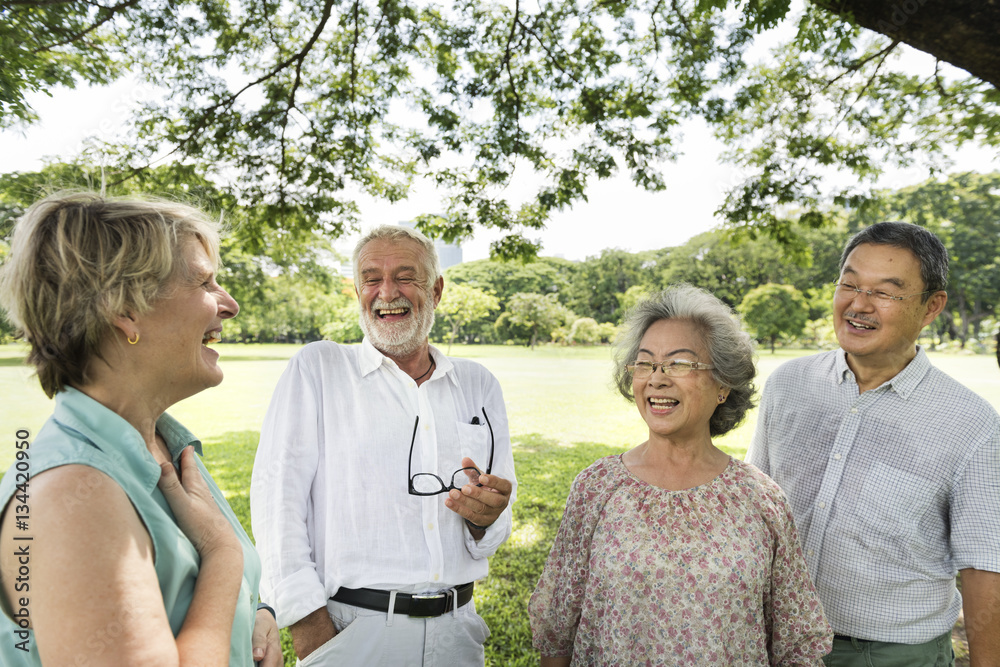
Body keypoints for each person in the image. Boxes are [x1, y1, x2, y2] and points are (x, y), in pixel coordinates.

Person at [0, 192, 281, 666]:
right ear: (125, 308)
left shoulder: (163, 447)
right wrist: (223, 557)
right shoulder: (71, 495)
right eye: (204, 282)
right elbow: (216, 566)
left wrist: (252, 614)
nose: (228, 304)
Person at [250, 224, 517, 666]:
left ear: (436, 290)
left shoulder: (478, 384)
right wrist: (310, 627)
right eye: (372, 278)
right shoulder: (319, 368)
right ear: (357, 291)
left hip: (458, 633)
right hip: (350, 631)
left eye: (405, 277)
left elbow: (496, 523)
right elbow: (276, 503)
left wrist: (484, 521)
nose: (386, 292)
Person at [529, 285, 832, 666]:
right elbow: (557, 632)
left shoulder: (760, 497)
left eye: (680, 364)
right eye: (645, 363)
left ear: (723, 384)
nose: (657, 378)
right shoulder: (597, 487)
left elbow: (797, 644)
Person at [747, 221, 1000, 666]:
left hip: (890, 655)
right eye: (848, 284)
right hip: (773, 643)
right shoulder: (789, 385)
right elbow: (756, 510)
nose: (858, 305)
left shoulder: (972, 424)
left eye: (885, 292)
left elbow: (984, 569)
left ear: (931, 307)